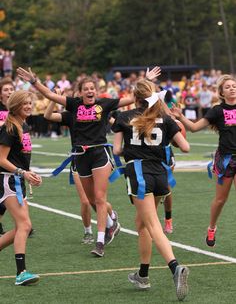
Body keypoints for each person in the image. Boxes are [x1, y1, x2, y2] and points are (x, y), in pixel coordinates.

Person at [17, 65, 161, 257]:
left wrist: (147, 80)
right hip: (80, 156)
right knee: (91, 199)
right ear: (80, 92)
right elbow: (50, 97)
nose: (90, 91)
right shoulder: (74, 105)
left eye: (92, 88)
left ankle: (100, 241)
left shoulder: (105, 104)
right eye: (86, 89)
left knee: (100, 199)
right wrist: (34, 81)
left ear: (96, 90)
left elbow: (136, 98)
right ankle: (112, 223)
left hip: (99, 154)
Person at [112, 79, 190, 301]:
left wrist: (133, 145)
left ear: (134, 97)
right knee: (142, 223)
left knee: (153, 225)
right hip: (160, 174)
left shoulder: (124, 117)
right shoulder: (164, 118)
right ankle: (143, 275)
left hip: (139, 173)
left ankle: (175, 267)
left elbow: (117, 150)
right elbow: (185, 147)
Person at [44, 89, 120, 245]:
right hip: (78, 159)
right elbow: (48, 116)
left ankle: (110, 221)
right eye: (81, 91)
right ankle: (93, 229)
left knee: (97, 199)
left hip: (97, 156)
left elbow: (111, 117)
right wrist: (53, 99)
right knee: (88, 200)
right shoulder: (71, 114)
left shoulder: (97, 109)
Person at [171, 74, 236, 247]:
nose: (232, 88)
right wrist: (180, 116)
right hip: (225, 159)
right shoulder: (217, 110)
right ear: (221, 92)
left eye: (234, 85)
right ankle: (212, 227)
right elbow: (193, 128)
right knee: (221, 200)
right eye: (228, 86)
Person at [0, 90, 42, 285]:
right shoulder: (9, 128)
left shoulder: (23, 125)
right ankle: (21, 273)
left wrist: (29, 172)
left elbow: (19, 158)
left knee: (22, 227)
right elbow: (1, 159)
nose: (29, 106)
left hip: (17, 179)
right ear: (15, 106)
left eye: (30, 102)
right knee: (24, 225)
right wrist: (22, 172)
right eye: (24, 103)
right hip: (8, 181)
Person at [0, 77, 15, 236]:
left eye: (11, 89)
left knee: (7, 191)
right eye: (6, 90)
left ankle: (22, 222)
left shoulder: (16, 109)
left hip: (12, 154)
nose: (9, 92)